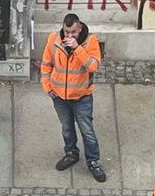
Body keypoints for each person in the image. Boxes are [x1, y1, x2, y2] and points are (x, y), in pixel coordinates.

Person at [40, 13, 106, 182]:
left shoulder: (90, 41)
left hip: (82, 96)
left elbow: (93, 65)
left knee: (87, 131)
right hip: (59, 96)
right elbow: (46, 64)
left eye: (73, 33)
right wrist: (48, 87)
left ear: (80, 29)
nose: (69, 36)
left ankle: (93, 162)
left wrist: (77, 48)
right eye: (66, 32)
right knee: (67, 128)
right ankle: (71, 154)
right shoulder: (54, 39)